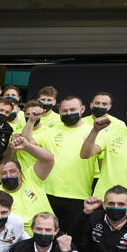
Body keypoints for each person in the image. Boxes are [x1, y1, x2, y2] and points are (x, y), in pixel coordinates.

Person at [42, 95, 97, 231]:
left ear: (83, 109)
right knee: (46, 233)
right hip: (48, 193)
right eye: (64, 111)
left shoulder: (94, 131)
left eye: (73, 109)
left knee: (72, 236)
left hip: (78, 195)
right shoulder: (50, 131)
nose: (68, 113)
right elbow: (29, 142)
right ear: (59, 111)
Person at [0, 149, 54, 235]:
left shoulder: (31, 178)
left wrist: (27, 146)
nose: (8, 176)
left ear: (21, 173)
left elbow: (48, 159)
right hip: (19, 240)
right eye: (3, 173)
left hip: (49, 231)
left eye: (13, 171)